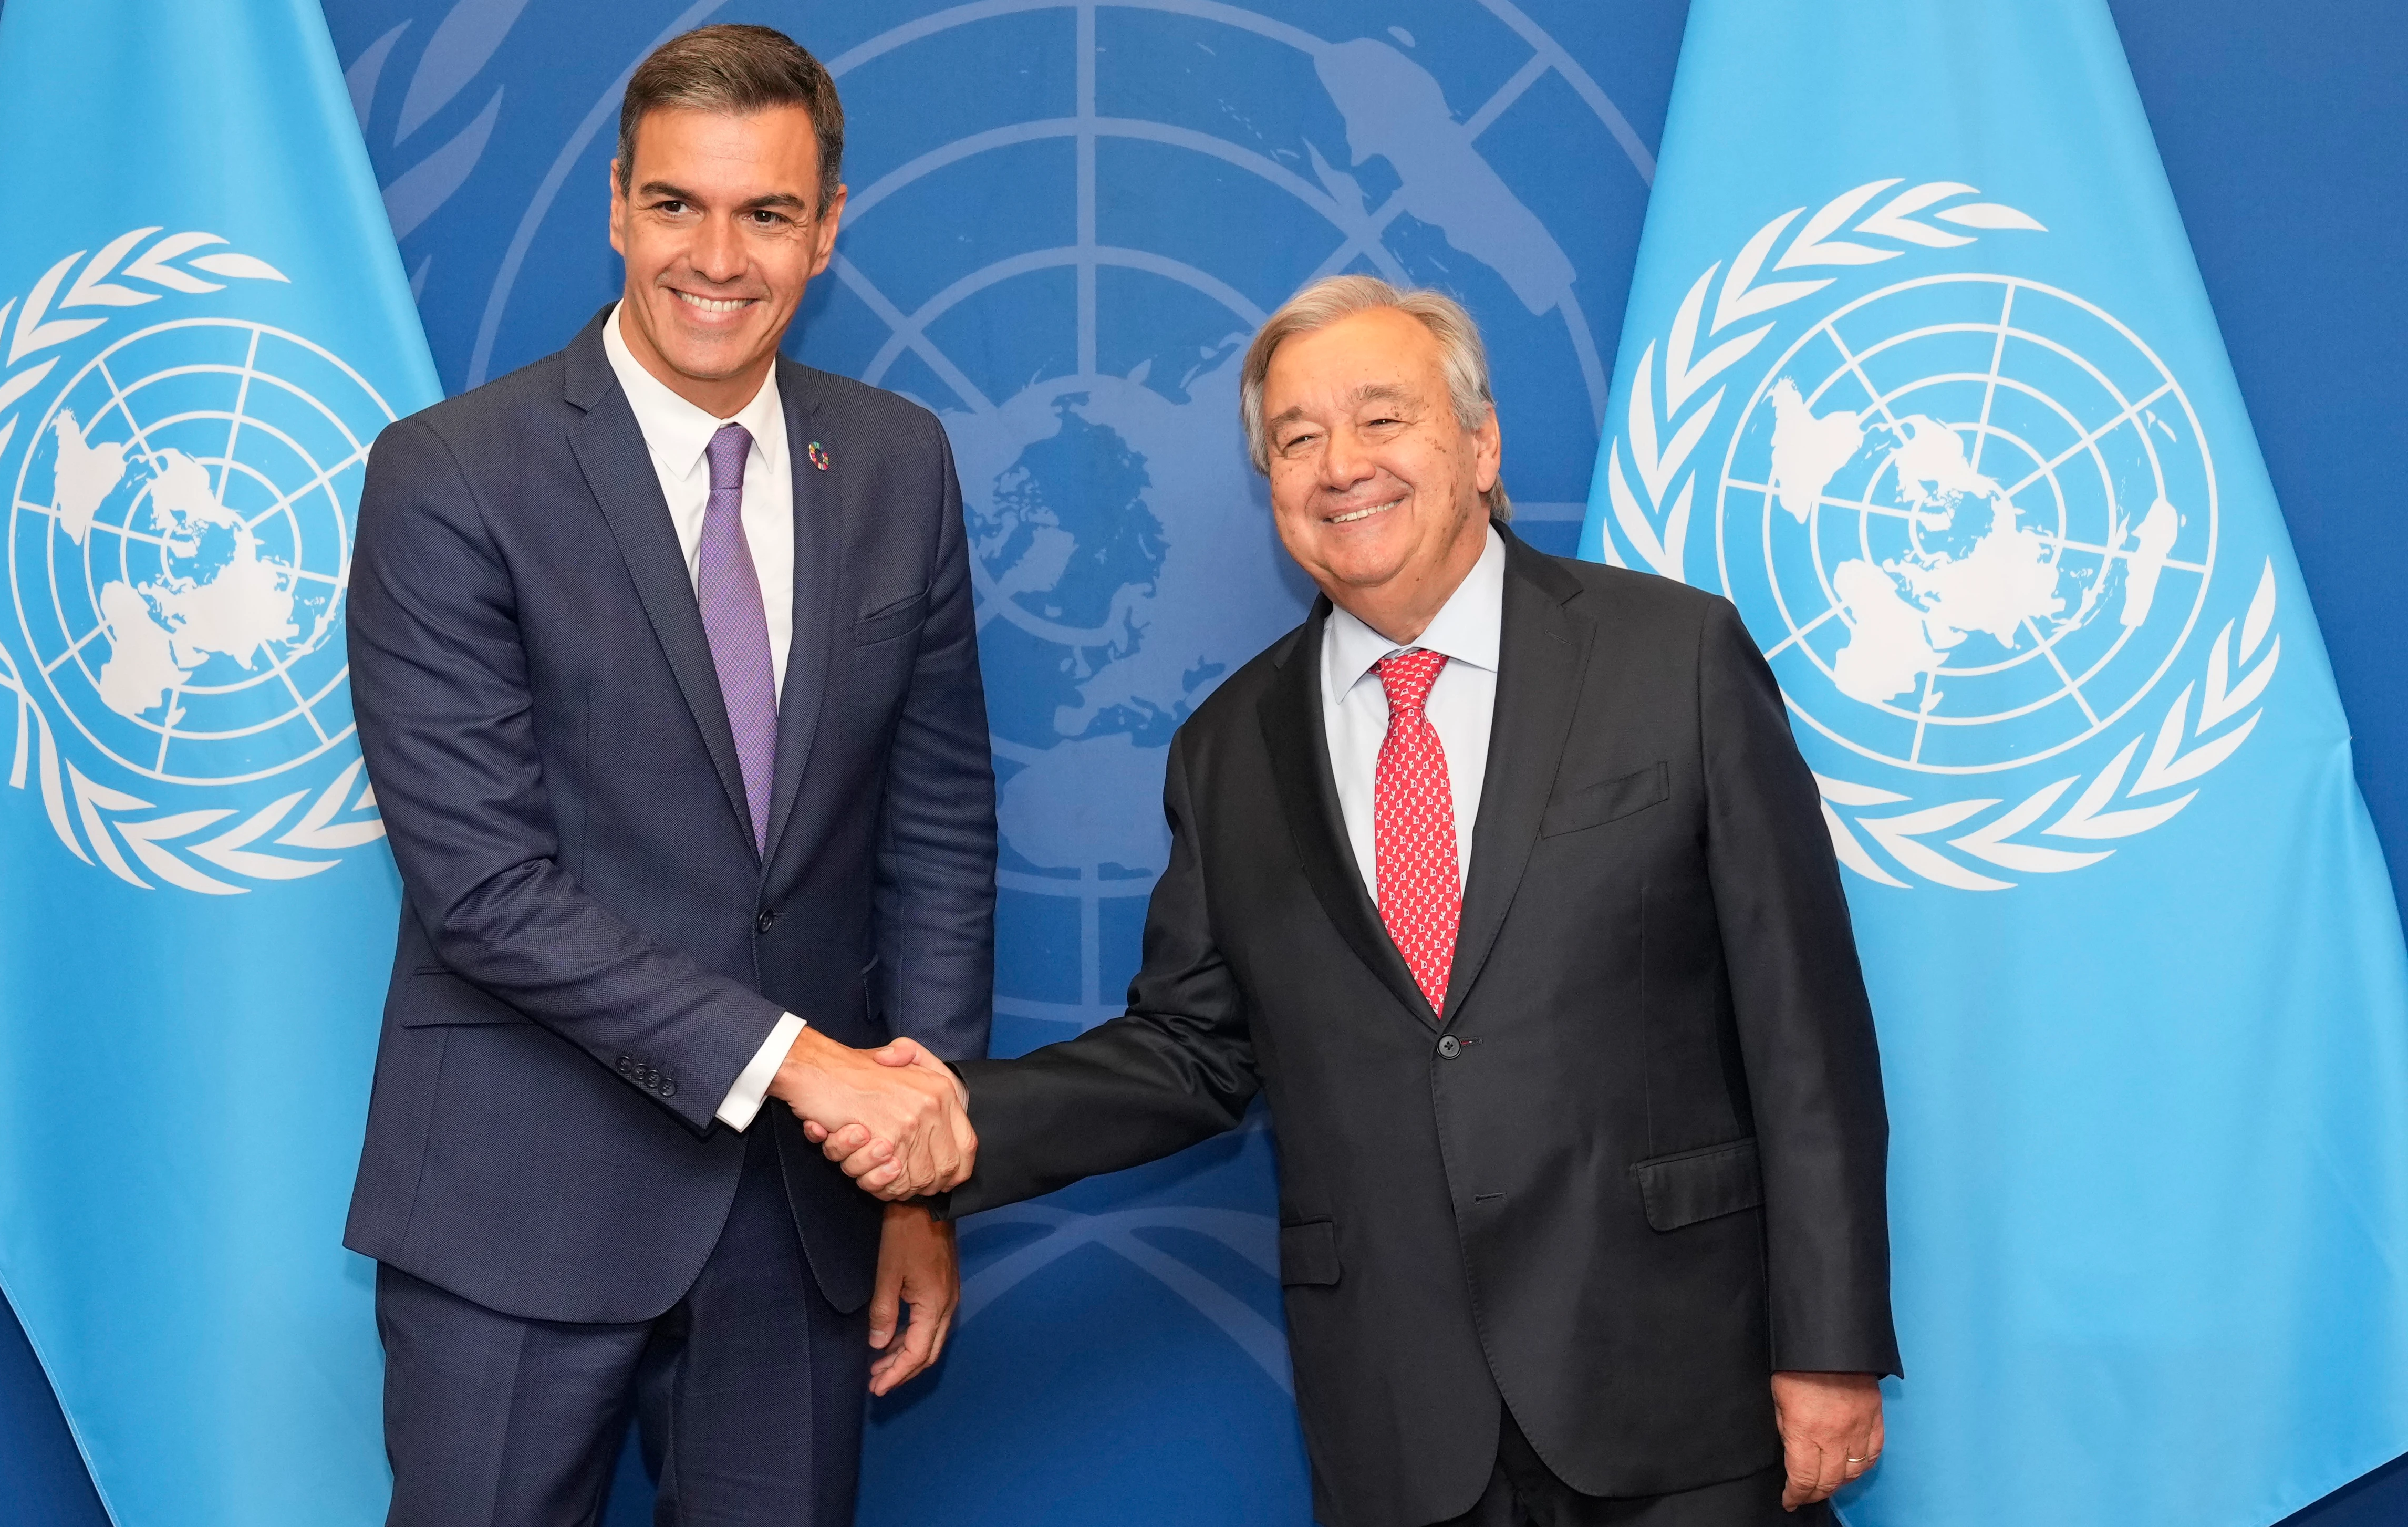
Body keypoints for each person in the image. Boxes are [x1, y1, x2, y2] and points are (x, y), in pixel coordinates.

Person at [827, 276, 1898, 1526]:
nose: (1341, 465)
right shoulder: (1228, 749)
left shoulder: (1676, 657)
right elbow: (1189, 1054)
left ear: (1481, 444)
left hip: (1683, 1393)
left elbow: (1804, 1031)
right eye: (1296, 437)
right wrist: (956, 1125)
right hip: (1402, 1422)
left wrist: (1828, 1344)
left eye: (1382, 419)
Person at [341, 25, 991, 1526]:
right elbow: (486, 893)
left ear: (826, 230)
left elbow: (939, 827)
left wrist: (914, 1175)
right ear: (616, 208)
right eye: (675, 205)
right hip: (519, 1203)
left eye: (766, 212)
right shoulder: (449, 475)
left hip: (802, 1219)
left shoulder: (900, 462)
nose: (717, 255)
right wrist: (807, 1066)